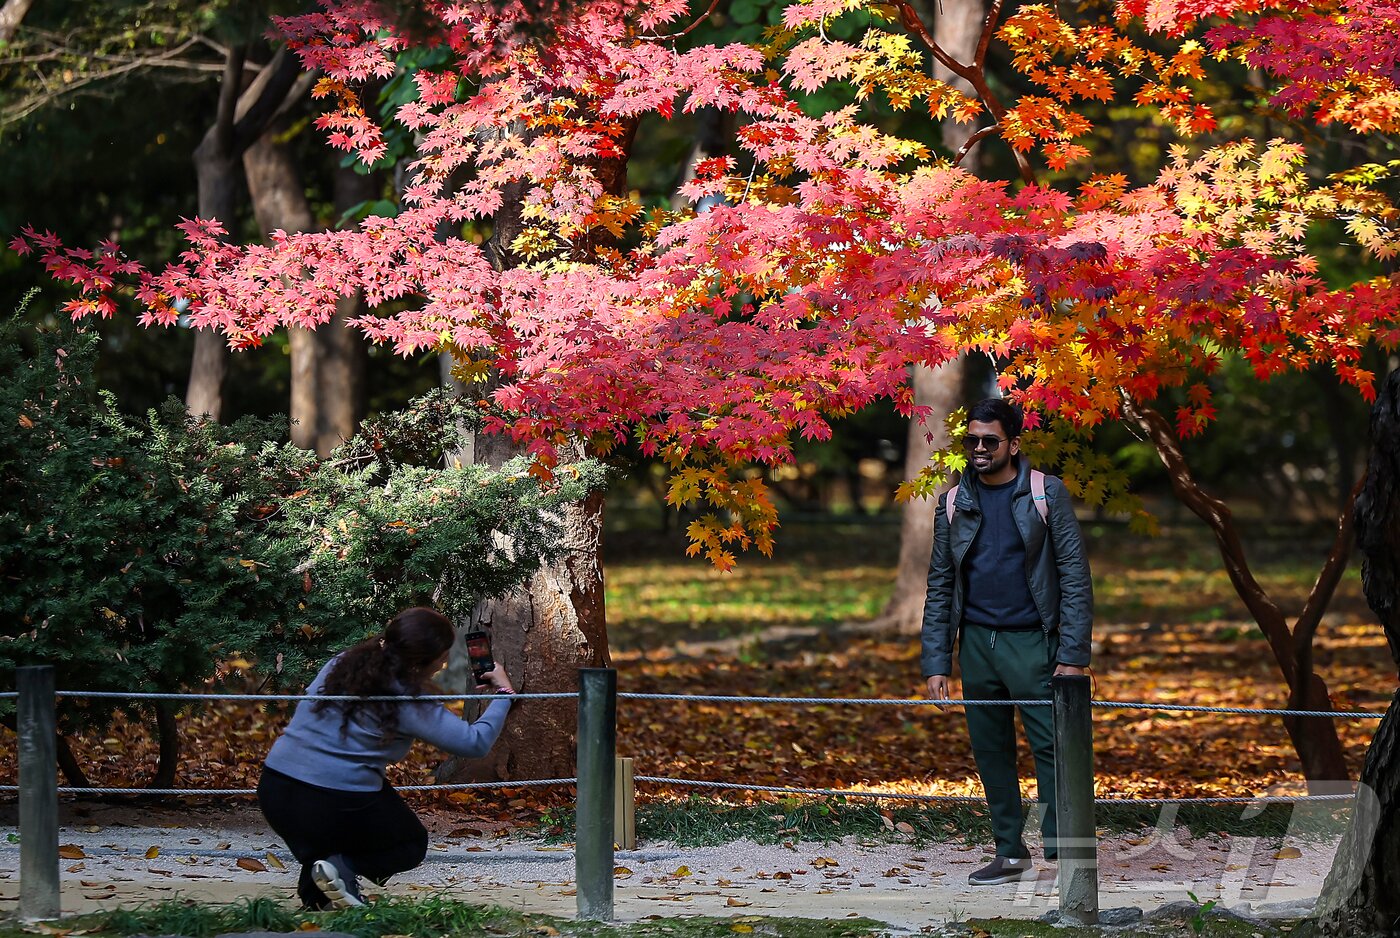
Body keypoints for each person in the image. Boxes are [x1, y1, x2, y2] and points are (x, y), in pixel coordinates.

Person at [921, 398, 1093, 886]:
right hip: (975, 643)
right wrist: (936, 660)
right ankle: (1010, 854)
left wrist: (1073, 656)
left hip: (1034, 642)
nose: (978, 448)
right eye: (971, 439)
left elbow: (1075, 578)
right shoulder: (954, 501)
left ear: (1013, 444)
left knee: (1055, 748)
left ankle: (1067, 854)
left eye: (989, 441)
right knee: (991, 750)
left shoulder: (1045, 493)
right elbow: (940, 582)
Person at [257, 607, 515, 909]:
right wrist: (503, 693)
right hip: (329, 797)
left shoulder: (343, 663)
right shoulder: (406, 698)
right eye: (443, 656)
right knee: (408, 844)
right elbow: (474, 743)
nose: (444, 664)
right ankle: (342, 871)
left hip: (275, 786)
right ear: (422, 660)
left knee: (333, 844)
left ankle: (323, 902)